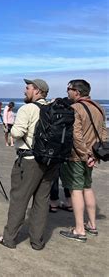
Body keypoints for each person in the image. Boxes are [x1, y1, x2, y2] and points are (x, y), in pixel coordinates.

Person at [0, 78, 59, 250]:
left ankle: (8, 238)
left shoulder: (28, 108)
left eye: (28, 87)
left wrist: (9, 129)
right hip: (51, 161)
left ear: (37, 91)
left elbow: (17, 132)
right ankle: (37, 241)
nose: (24, 90)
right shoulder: (53, 108)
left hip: (30, 160)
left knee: (19, 199)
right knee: (42, 201)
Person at [60, 79, 107, 242]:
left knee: (76, 190)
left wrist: (86, 154)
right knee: (87, 187)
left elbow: (76, 136)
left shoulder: (75, 108)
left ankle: (79, 230)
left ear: (77, 92)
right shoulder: (99, 107)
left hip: (76, 157)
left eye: (69, 89)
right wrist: (95, 155)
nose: (67, 92)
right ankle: (92, 225)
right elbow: (104, 134)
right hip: (92, 157)